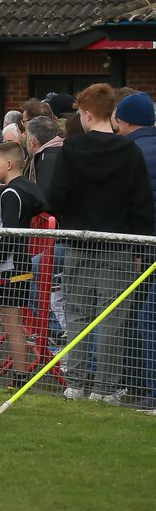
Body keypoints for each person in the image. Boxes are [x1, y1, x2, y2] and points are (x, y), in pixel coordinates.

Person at [46, 84, 155, 403]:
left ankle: (76, 383)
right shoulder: (129, 151)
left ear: (88, 113)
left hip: (80, 242)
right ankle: (105, 388)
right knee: (113, 318)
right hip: (118, 244)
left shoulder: (72, 148)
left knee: (78, 314)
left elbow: (54, 198)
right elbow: (141, 206)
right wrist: (138, 249)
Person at [0, 142, 44, 389]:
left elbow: (5, 234)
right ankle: (20, 377)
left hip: (10, 269)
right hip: (17, 266)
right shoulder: (22, 188)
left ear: (8, 164)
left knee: (12, 323)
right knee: (14, 322)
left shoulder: (11, 194)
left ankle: (20, 379)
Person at [114, 92, 156, 407]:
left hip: (140, 246)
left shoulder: (129, 151)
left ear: (126, 121)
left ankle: (142, 387)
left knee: (137, 316)